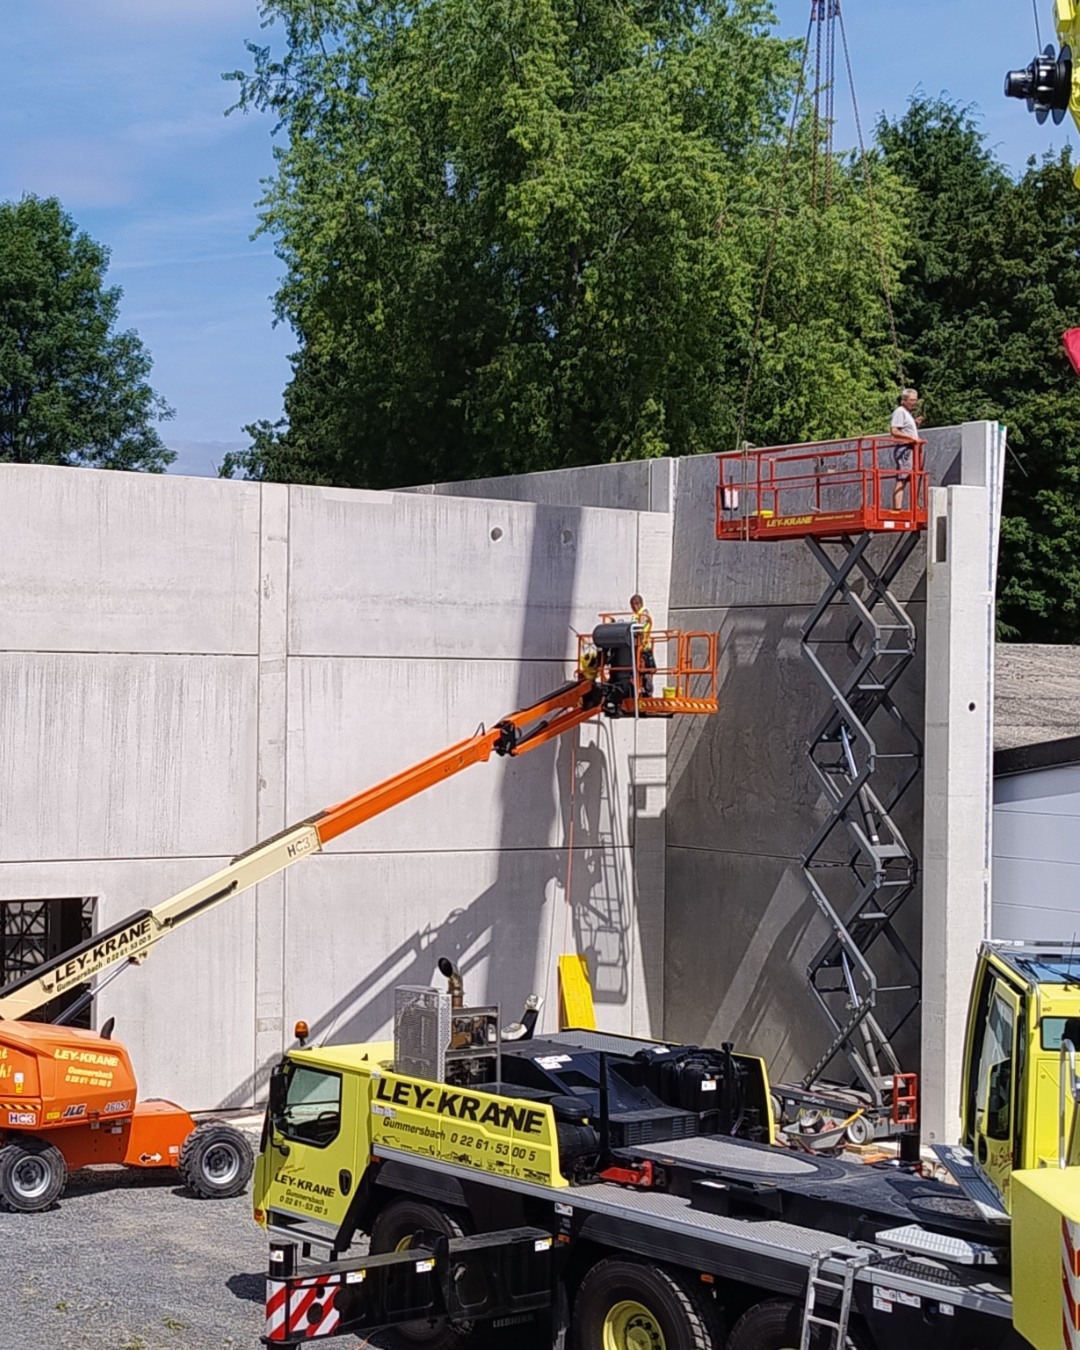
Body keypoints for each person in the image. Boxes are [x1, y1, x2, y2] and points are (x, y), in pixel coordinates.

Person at [888, 388, 923, 511]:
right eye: (912, 400)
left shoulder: (906, 413)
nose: (914, 402)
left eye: (915, 399)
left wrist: (914, 423)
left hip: (909, 448)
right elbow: (894, 431)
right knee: (902, 477)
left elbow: (903, 429)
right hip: (905, 449)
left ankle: (910, 506)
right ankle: (897, 509)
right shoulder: (900, 412)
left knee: (909, 477)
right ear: (904, 400)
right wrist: (912, 437)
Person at [629, 594, 655, 697]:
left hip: (643, 647)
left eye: (632, 605)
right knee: (638, 670)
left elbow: (639, 628)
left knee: (646, 670)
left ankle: (647, 691)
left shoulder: (643, 614)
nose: (632, 608)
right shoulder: (637, 615)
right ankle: (639, 690)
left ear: (637, 603)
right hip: (638, 647)